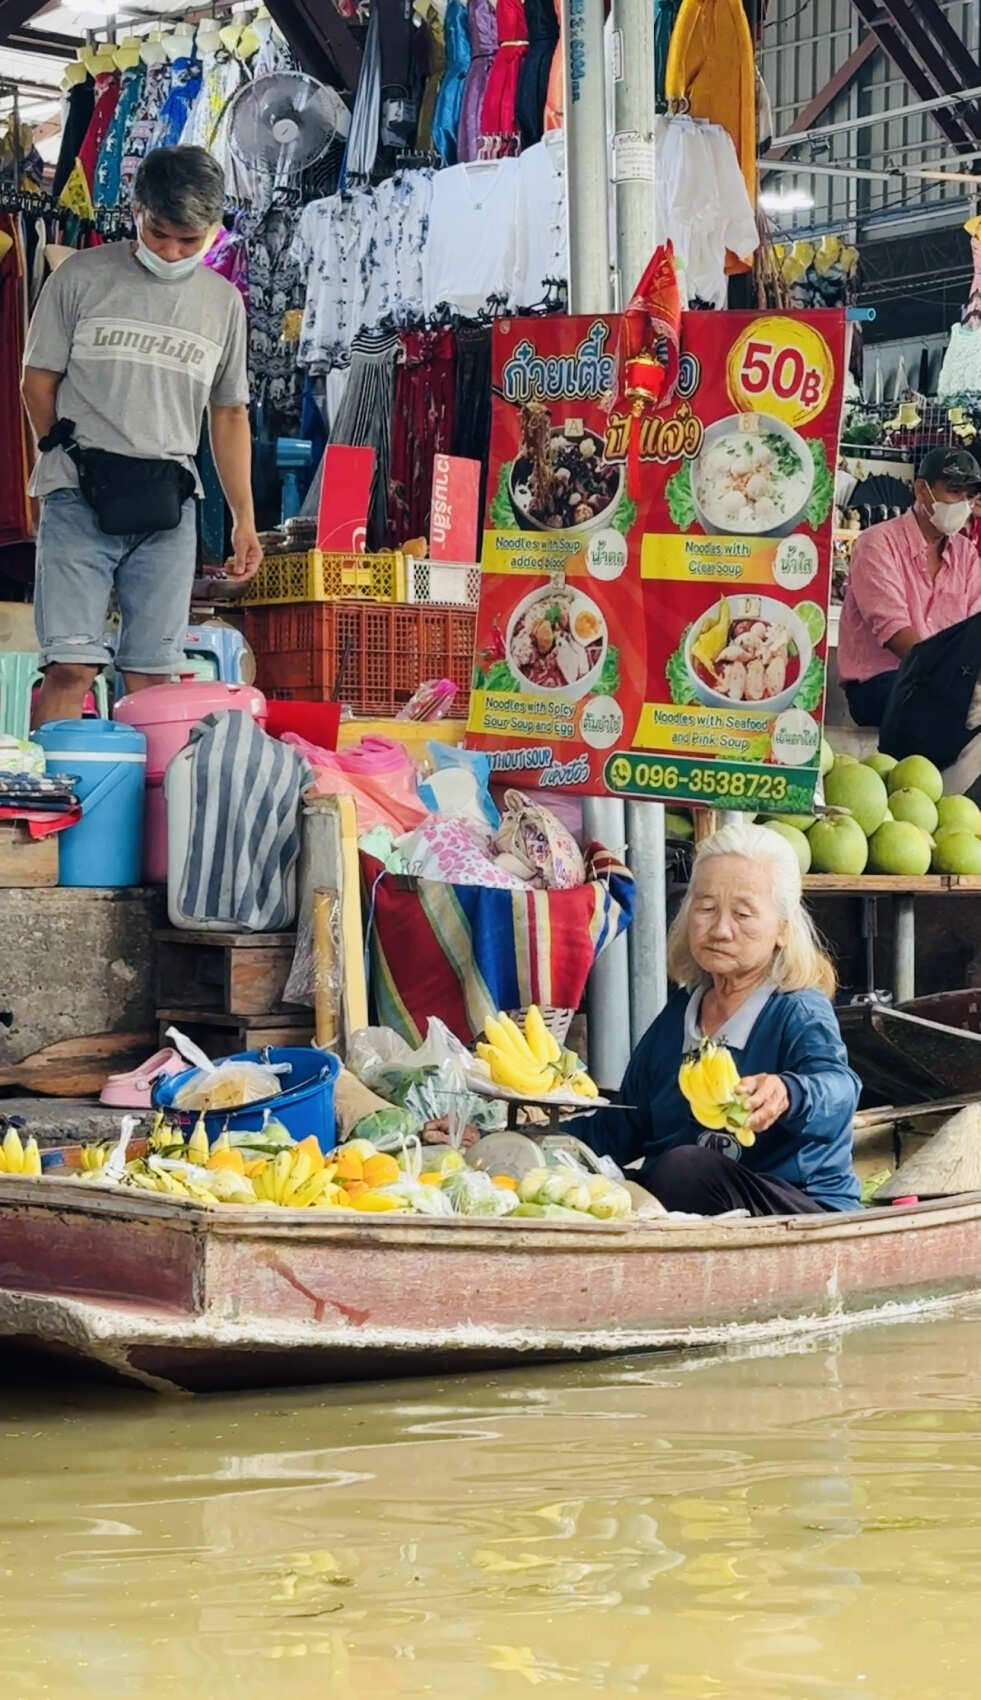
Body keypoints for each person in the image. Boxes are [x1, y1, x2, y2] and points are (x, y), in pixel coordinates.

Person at [21, 145, 263, 728]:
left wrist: (244, 519)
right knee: (71, 666)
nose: (174, 251)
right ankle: (40, 815)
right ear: (136, 211)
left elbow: (228, 415)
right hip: (80, 495)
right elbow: (37, 382)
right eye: (160, 234)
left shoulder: (223, 304)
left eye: (190, 239)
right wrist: (67, 454)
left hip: (169, 505)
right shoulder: (80, 277)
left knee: (153, 674)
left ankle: (140, 813)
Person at [573, 821, 861, 1217]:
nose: (720, 930)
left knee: (682, 1168)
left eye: (743, 914)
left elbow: (840, 1088)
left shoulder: (797, 1009)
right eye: (706, 908)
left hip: (794, 1206)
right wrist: (531, 1141)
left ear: (782, 929)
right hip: (693, 1201)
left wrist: (788, 1092)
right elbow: (622, 1127)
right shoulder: (680, 1013)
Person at [837, 446, 981, 729]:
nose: (963, 503)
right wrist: (952, 678)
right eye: (954, 491)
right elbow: (893, 630)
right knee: (944, 706)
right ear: (921, 490)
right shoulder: (878, 543)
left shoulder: (967, 555)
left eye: (970, 495)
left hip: (944, 686)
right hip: (880, 685)